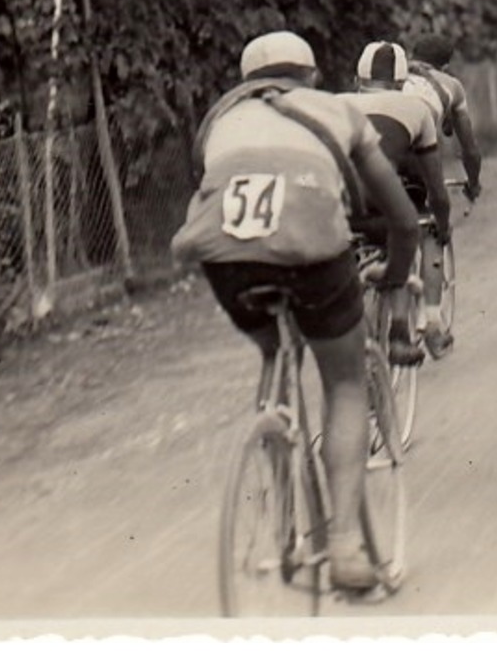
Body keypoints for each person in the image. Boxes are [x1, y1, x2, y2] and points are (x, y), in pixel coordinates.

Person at [171, 30, 420, 592]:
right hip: (311, 251)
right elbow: (402, 219)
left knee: (273, 347)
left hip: (228, 260)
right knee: (346, 382)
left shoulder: (219, 122)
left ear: (245, 82)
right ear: (309, 77)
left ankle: (274, 437)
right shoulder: (333, 110)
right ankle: (344, 547)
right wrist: (398, 277)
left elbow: (205, 195)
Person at [340, 41, 456, 359]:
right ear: (403, 84)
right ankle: (400, 333)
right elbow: (435, 184)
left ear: (356, 80)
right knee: (403, 237)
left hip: (333, 206)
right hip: (381, 201)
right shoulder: (415, 109)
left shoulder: (334, 104)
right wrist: (442, 224)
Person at [405, 35, 484, 201]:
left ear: (411, 55)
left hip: (376, 147)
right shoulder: (452, 85)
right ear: (445, 66)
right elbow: (470, 150)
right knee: (435, 204)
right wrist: (474, 183)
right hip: (417, 155)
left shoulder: (393, 76)